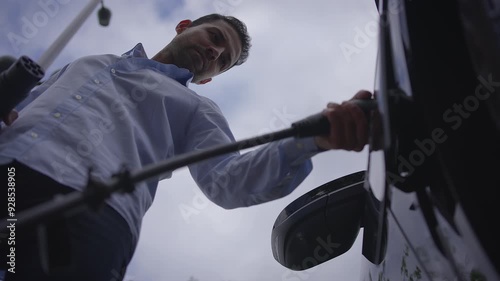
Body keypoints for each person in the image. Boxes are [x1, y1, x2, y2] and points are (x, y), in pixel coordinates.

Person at [0, 13, 372, 281]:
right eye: (214, 37)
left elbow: (229, 180)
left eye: (223, 60)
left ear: (210, 80)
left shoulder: (197, 108)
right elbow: (17, 110)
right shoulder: (89, 61)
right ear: (184, 26)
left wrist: (314, 138)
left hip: (92, 213)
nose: (214, 52)